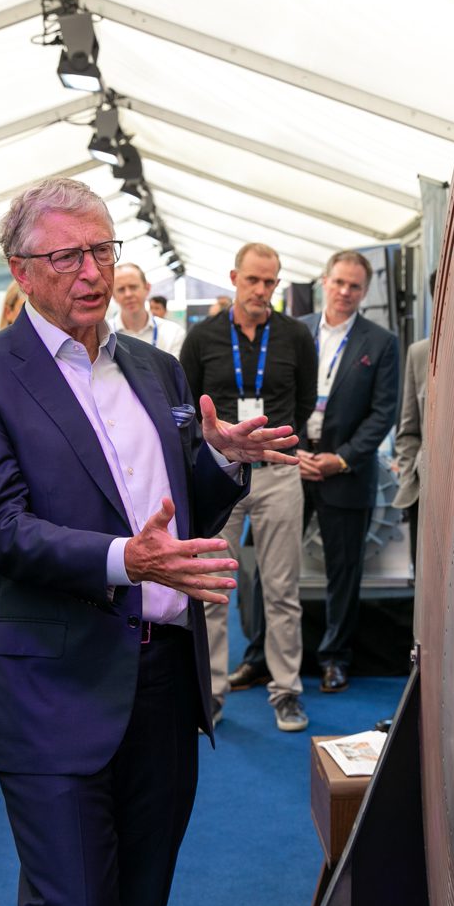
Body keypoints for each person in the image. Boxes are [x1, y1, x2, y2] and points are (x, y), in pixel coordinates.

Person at [0, 178, 296, 906]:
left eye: (103, 250)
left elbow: (174, 512)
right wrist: (126, 560)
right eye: (68, 256)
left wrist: (222, 459)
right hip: (50, 684)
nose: (92, 272)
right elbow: (1, 528)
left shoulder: (157, 369)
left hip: (163, 683)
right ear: (22, 270)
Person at [231, 251, 399, 694]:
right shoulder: (291, 331)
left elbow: (383, 414)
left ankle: (334, 658)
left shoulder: (380, 343)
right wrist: (296, 450)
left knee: (344, 572)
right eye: (339, 282)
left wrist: (340, 458)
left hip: (346, 473)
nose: (345, 292)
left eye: (355, 286)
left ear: (365, 292)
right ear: (324, 281)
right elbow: (272, 395)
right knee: (270, 568)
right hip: (289, 466)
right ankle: (259, 659)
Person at [180, 243, 316, 730]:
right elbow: (185, 407)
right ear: (234, 278)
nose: (261, 290)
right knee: (213, 587)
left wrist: (276, 445)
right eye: (253, 281)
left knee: (282, 589)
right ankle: (211, 693)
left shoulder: (296, 335)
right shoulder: (203, 337)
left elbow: (303, 401)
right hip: (219, 476)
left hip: (278, 474)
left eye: (270, 282)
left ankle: (285, 691)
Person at [393, 334, 431, 572]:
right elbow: (409, 430)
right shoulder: (419, 353)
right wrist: (409, 476)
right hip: (426, 488)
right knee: (426, 575)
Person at [113, 263, 186, 357]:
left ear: (147, 288)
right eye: (121, 289)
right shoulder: (103, 336)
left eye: (133, 287)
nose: (128, 294)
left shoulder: (173, 333)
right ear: (112, 295)